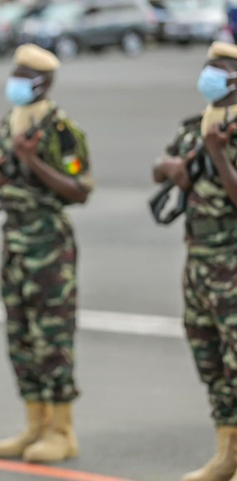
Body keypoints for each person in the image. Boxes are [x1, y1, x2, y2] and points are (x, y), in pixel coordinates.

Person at [0, 44, 92, 463]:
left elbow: (79, 189)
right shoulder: (11, 122)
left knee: (53, 339)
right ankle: (35, 424)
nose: (16, 83)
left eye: (24, 76)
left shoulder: (61, 130)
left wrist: (33, 162)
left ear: (43, 83)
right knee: (21, 336)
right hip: (16, 242)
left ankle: (63, 430)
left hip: (49, 245)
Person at [153, 42, 237, 481]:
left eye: (219, 68)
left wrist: (218, 152)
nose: (209, 74)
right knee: (210, 359)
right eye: (208, 66)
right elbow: (158, 166)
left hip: (233, 262)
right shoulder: (196, 126)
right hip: (198, 261)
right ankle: (227, 453)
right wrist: (171, 167)